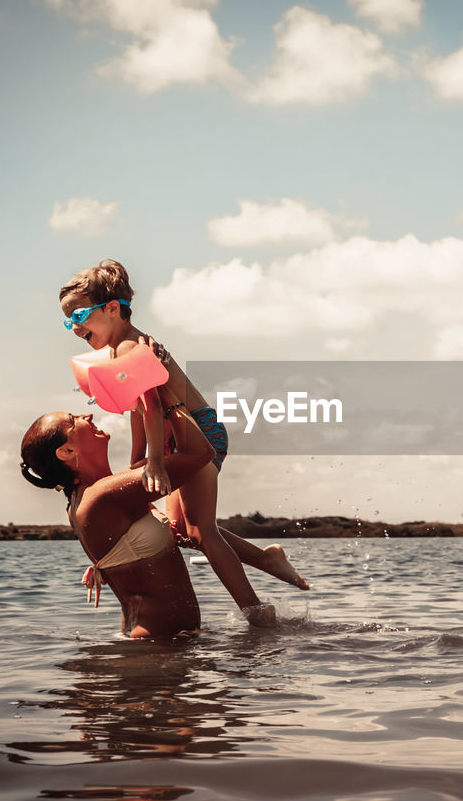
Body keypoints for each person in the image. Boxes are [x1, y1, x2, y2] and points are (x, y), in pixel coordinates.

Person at [58, 259, 307, 624]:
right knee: (184, 532)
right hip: (174, 439)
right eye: (67, 321)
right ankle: (266, 559)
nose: (73, 327)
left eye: (77, 316)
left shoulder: (130, 347)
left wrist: (156, 462)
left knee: (202, 531)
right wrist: (137, 460)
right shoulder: (115, 351)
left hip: (197, 434)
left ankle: (257, 614)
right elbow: (138, 410)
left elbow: (154, 405)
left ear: (111, 309)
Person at [20, 409, 216, 637]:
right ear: (67, 451)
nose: (88, 415)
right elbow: (201, 453)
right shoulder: (102, 495)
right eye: (73, 420)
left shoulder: (81, 501)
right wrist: (170, 400)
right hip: (155, 650)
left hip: (155, 644)